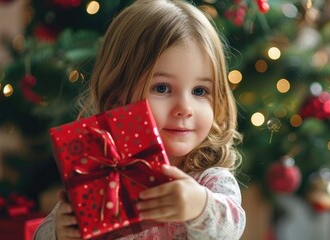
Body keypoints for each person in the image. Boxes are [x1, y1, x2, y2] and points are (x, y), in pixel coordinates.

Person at [34, 0, 245, 239]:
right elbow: (41, 234)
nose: (185, 108)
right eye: (162, 88)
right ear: (116, 97)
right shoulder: (100, 173)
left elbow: (231, 228)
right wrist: (60, 231)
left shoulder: (210, 180)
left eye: (199, 91)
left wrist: (199, 206)